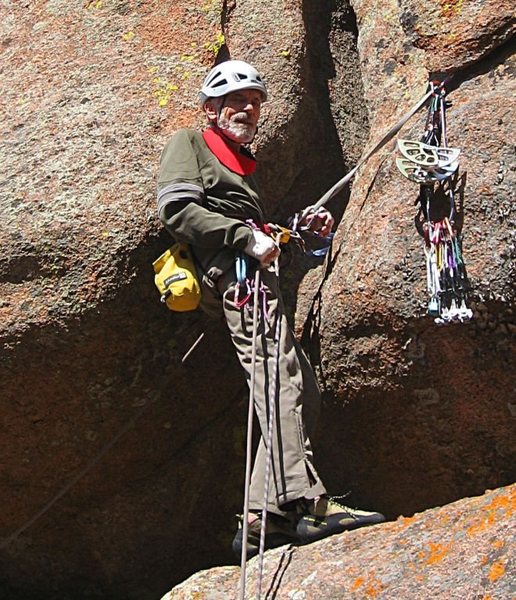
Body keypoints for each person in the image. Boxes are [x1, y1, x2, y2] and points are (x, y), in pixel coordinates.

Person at [157, 59, 385, 559]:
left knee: (301, 381)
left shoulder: (243, 167)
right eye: (236, 101)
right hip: (236, 278)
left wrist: (300, 235)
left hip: (251, 273)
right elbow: (175, 208)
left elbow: (256, 235)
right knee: (278, 378)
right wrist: (245, 237)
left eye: (255, 101)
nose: (248, 109)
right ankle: (303, 502)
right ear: (210, 109)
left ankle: (262, 517)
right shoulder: (189, 144)